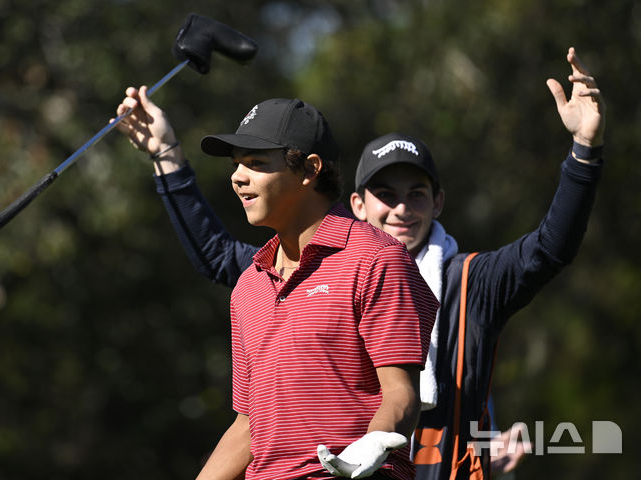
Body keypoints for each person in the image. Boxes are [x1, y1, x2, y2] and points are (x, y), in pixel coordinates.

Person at [114, 46, 604, 479]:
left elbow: (548, 250)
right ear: (357, 204)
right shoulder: (267, 275)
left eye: (417, 195)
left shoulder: (466, 280)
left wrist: (584, 150)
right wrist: (166, 155)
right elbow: (220, 263)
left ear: (439, 204)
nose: (401, 209)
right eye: (385, 194)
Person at [116, 97, 439, 479]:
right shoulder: (250, 285)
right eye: (236, 164)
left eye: (256, 164)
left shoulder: (377, 258)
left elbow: (400, 394)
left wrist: (374, 441)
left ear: (309, 170)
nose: (237, 177)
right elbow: (248, 426)